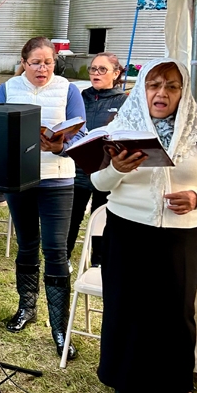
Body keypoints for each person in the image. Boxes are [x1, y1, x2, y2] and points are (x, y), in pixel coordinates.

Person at [92, 58, 197, 393]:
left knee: (177, 312)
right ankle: (128, 382)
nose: (162, 92)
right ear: (142, 89)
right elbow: (98, 182)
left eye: (172, 85)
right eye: (154, 84)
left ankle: (177, 383)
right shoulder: (120, 126)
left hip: (181, 235)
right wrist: (115, 169)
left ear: (183, 92)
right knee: (126, 308)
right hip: (127, 232)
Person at [0, 37, 87, 360]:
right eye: (36, 62)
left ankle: (59, 328)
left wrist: (59, 145)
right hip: (21, 179)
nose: (42, 68)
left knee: (56, 248)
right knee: (27, 244)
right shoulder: (7, 89)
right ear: (24, 61)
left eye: (48, 62)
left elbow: (82, 135)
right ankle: (26, 308)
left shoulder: (69, 90)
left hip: (57, 177)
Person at [65, 53, 128, 268]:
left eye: (102, 69)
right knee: (72, 213)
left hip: (106, 167)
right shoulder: (81, 96)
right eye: (93, 69)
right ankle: (65, 255)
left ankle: (99, 260)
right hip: (80, 166)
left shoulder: (124, 101)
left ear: (116, 73)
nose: (96, 74)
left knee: (102, 213)